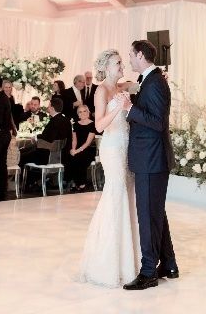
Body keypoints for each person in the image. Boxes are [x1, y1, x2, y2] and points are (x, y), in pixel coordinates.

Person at [79, 49, 140, 288]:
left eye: (122, 63)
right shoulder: (101, 90)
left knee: (129, 195)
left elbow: (137, 85)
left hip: (126, 146)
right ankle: (108, 263)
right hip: (113, 147)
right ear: (106, 67)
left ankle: (129, 260)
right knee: (116, 195)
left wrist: (155, 78)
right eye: (118, 63)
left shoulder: (121, 86)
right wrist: (120, 108)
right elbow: (100, 125)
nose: (122, 66)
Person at [121, 39, 178, 290]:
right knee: (156, 214)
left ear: (141, 55)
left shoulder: (155, 82)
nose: (130, 59)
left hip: (151, 159)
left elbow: (157, 123)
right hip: (151, 158)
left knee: (147, 215)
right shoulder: (150, 79)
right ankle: (168, 264)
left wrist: (130, 109)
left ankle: (148, 272)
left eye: (131, 55)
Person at [20, 97, 72, 177]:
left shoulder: (54, 121)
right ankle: (34, 181)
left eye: (49, 105)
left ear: (52, 108)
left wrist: (36, 137)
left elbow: (49, 137)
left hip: (47, 156)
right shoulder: (66, 120)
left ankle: (25, 183)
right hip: (61, 155)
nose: (47, 107)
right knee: (26, 151)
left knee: (21, 156)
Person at [67, 105, 96, 191]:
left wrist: (77, 151)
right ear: (78, 114)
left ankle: (82, 184)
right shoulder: (76, 124)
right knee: (70, 156)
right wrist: (73, 149)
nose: (83, 113)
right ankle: (75, 182)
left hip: (88, 149)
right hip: (78, 148)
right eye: (80, 112)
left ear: (88, 113)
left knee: (80, 158)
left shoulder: (92, 124)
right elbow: (74, 140)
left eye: (84, 111)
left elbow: (88, 142)